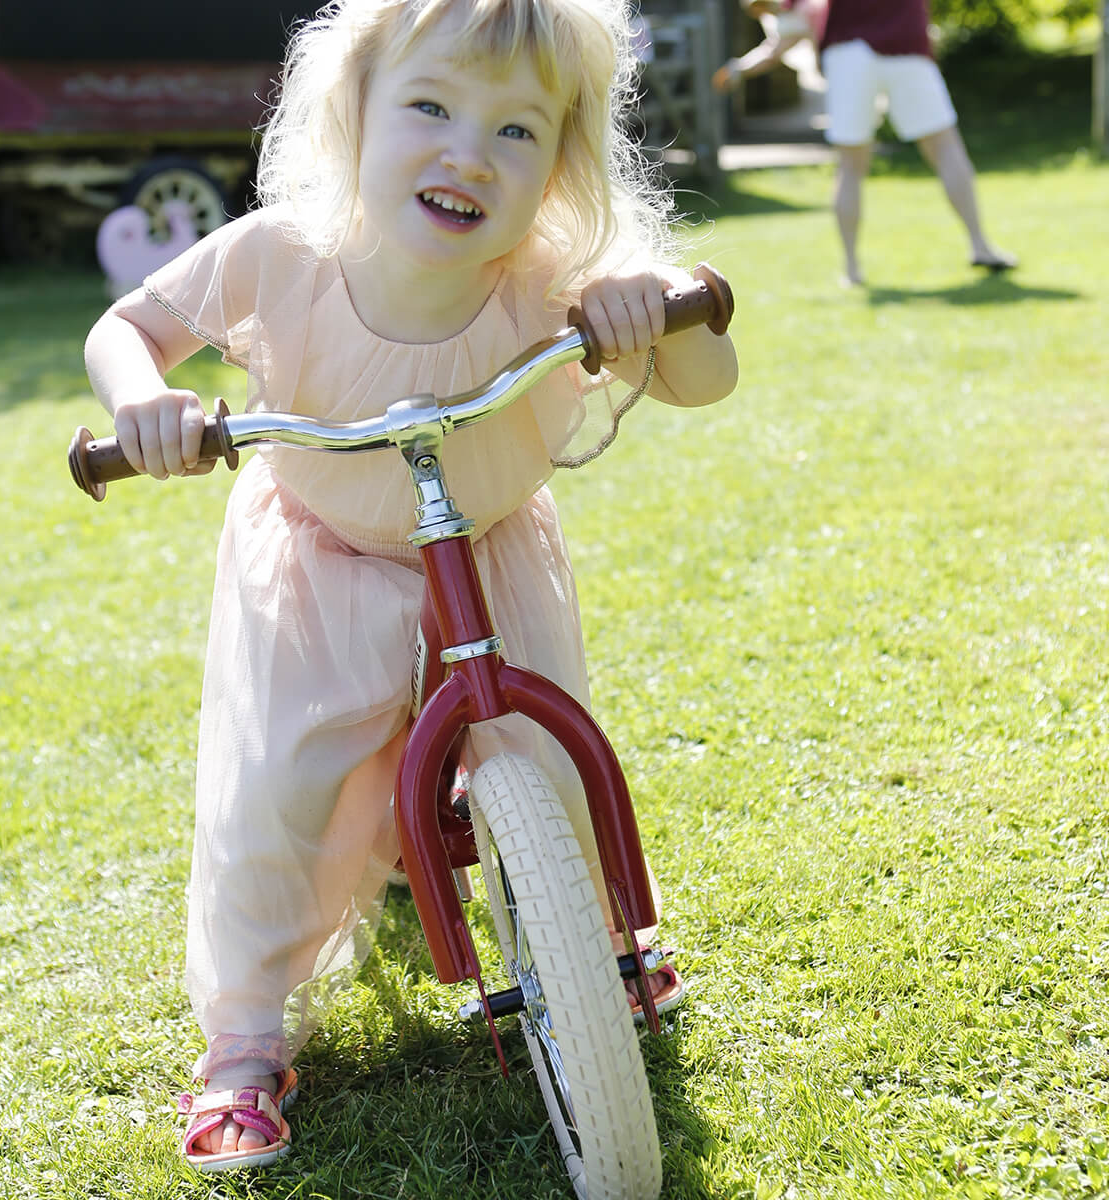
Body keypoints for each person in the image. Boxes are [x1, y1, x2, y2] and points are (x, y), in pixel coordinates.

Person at [83, 0, 738, 1173]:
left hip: (484, 547)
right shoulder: (277, 255)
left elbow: (703, 379)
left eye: (516, 130)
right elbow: (129, 326)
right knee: (282, 786)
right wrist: (144, 399)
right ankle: (244, 1041)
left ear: (562, 163)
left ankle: (596, 942)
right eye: (429, 107)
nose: (466, 152)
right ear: (353, 115)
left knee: (539, 753)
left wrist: (649, 302)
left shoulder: (552, 280)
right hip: (319, 553)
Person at [716, 0, 1016, 285]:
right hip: (907, 43)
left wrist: (739, 67)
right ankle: (980, 245)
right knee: (946, 147)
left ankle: (851, 269)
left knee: (850, 166)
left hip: (849, 53)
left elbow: (791, 27)